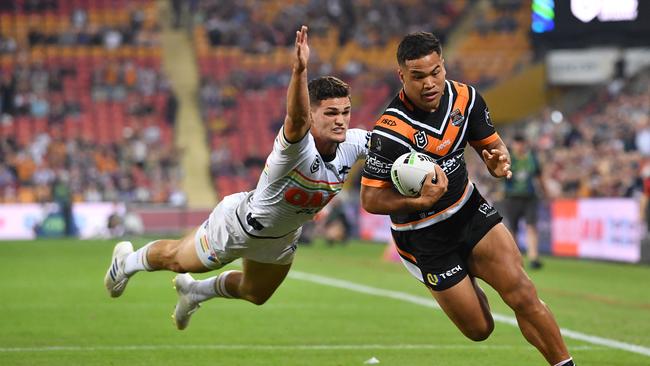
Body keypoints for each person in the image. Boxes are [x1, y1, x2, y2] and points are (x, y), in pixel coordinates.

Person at [104, 26, 369, 330]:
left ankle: (195, 291)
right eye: (331, 113)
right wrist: (300, 70)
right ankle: (126, 262)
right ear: (312, 115)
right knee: (179, 260)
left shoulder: (355, 142)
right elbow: (295, 118)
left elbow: (390, 143)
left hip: (282, 238)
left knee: (256, 294)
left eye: (346, 112)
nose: (340, 121)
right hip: (239, 226)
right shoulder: (295, 147)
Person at [360, 32, 574, 366]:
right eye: (418, 77)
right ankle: (465, 277)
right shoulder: (389, 132)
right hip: (423, 235)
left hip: (468, 210)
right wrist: (418, 201)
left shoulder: (467, 98)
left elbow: (491, 144)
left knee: (522, 291)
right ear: (402, 76)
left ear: (443, 65)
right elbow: (371, 199)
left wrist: (496, 159)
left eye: (435, 72)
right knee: (480, 328)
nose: (430, 83)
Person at [503, 133, 545, 269]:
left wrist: (544, 191)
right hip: (512, 197)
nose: (520, 146)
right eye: (517, 143)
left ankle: (533, 257)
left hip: (529, 197)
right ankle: (515, 258)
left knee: (531, 226)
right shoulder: (508, 158)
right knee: (513, 229)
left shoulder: (532, 158)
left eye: (521, 143)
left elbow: (539, 176)